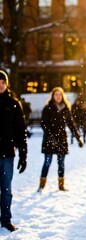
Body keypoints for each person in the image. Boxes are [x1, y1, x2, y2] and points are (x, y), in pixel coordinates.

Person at [38, 87, 84, 192]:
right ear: (53, 96)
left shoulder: (66, 108)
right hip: (50, 139)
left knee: (61, 163)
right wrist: (50, 135)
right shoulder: (48, 108)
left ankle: (61, 186)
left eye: (59, 95)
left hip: (61, 139)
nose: (58, 96)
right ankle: (41, 185)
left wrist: (78, 138)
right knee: (47, 162)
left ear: (62, 96)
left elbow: (71, 124)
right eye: (56, 95)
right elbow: (43, 123)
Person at [0, 70, 27, 232]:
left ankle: (6, 219)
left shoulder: (13, 104)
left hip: (7, 154)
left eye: (3, 82)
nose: (0, 85)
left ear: (7, 84)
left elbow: (20, 131)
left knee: (6, 190)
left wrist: (23, 155)